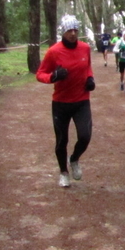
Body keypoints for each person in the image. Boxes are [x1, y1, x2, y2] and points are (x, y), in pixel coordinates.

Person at [36, 15, 96, 188]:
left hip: (81, 100)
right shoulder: (54, 51)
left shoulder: (85, 48)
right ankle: (63, 172)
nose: (73, 33)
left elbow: (88, 67)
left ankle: (74, 159)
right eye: (69, 30)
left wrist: (90, 79)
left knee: (85, 136)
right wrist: (53, 76)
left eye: (75, 30)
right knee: (62, 140)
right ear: (63, 31)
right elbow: (40, 74)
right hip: (61, 103)